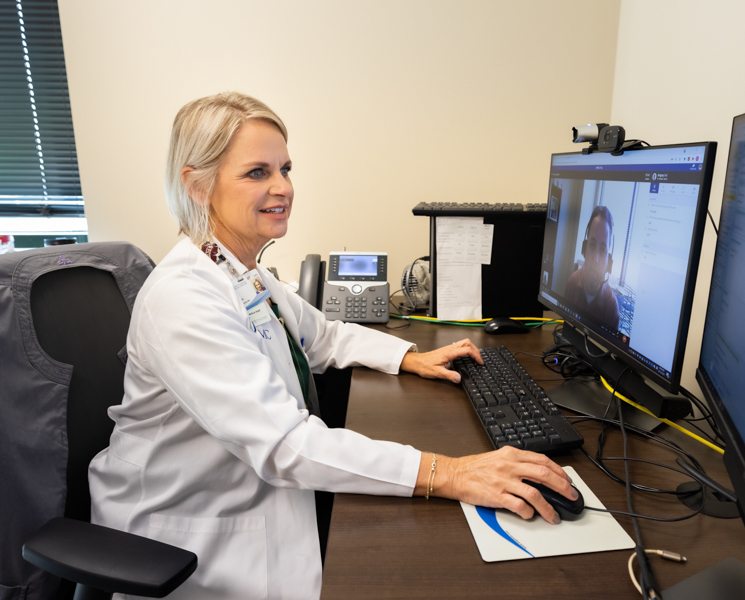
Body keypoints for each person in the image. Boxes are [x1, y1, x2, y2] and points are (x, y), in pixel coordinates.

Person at [88, 92, 576, 600]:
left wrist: (409, 356)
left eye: (286, 168)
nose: (284, 187)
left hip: (254, 492)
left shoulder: (240, 271)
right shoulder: (183, 299)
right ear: (196, 185)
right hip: (189, 533)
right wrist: (449, 472)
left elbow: (322, 335)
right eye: (258, 172)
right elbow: (286, 445)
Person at [564, 205, 620, 331]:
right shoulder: (572, 282)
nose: (596, 259)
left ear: (609, 261)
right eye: (592, 245)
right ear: (584, 248)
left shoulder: (612, 307)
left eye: (602, 249)